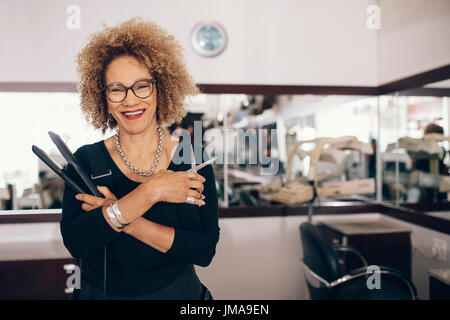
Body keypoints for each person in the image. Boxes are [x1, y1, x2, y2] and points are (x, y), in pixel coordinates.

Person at [60, 18, 220, 300]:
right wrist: (152, 191)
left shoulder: (193, 158)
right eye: (116, 89)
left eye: (141, 86)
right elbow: (78, 243)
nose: (130, 100)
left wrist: (120, 215)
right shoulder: (84, 161)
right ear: (104, 98)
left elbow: (204, 251)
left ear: (160, 88)